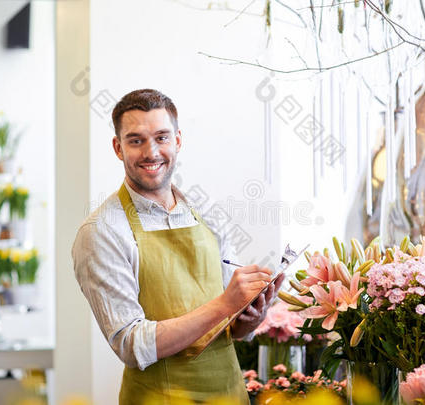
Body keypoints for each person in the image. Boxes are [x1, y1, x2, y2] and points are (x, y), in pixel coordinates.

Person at [71, 89, 284, 404]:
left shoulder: (207, 213)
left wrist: (252, 311)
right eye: (135, 140)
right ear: (118, 148)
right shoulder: (101, 232)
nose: (151, 152)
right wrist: (225, 304)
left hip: (229, 396)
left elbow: (232, 328)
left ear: (178, 140)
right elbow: (132, 344)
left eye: (161, 137)